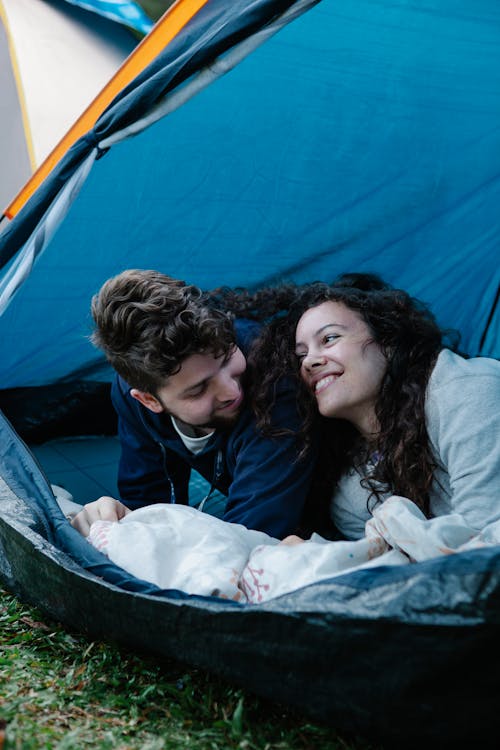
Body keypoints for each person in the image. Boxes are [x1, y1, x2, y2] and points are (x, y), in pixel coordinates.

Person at [250, 274, 500, 540]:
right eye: (301, 355)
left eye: (329, 338)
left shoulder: (466, 390)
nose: (309, 361)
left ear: (388, 341)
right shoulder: (351, 489)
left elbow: (488, 540)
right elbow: (390, 569)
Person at [71, 269, 316, 539]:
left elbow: (252, 535)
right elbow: (145, 497)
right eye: (199, 389)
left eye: (226, 357)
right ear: (149, 400)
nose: (231, 390)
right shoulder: (132, 393)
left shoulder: (273, 374)